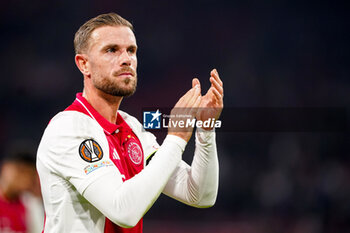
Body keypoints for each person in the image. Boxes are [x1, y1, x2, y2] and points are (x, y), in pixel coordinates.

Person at [36, 12, 224, 233]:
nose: (126, 59)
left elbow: (200, 194)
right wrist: (177, 135)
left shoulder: (133, 128)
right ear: (84, 64)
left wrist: (205, 129)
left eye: (131, 50)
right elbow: (123, 211)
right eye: (111, 50)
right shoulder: (69, 128)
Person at [0, 150, 44, 233]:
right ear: (5, 167)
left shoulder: (32, 205)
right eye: (21, 171)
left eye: (29, 175)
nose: (24, 179)